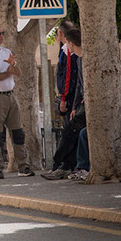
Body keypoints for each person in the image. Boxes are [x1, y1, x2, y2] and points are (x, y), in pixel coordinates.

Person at [69, 68, 121, 182]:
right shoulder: (111, 79)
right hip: (111, 121)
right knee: (85, 133)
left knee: (85, 134)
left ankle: (85, 168)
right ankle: (85, 168)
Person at [0, 25, 34, 179]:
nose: (1, 36)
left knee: (18, 132)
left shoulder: (6, 52)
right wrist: (9, 72)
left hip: (10, 95)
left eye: (2, 33)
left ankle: (23, 166)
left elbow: (18, 73)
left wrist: (13, 66)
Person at [42, 28, 85, 180]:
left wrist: (66, 99)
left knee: (71, 133)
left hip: (86, 104)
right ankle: (63, 166)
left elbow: (70, 80)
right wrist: (74, 107)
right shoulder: (77, 59)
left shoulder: (83, 58)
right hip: (79, 104)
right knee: (71, 133)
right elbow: (79, 85)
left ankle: (61, 165)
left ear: (71, 43)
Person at [55, 20, 78, 126]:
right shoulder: (65, 49)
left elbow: (68, 75)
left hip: (70, 98)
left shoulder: (68, 50)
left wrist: (64, 98)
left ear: (61, 33)